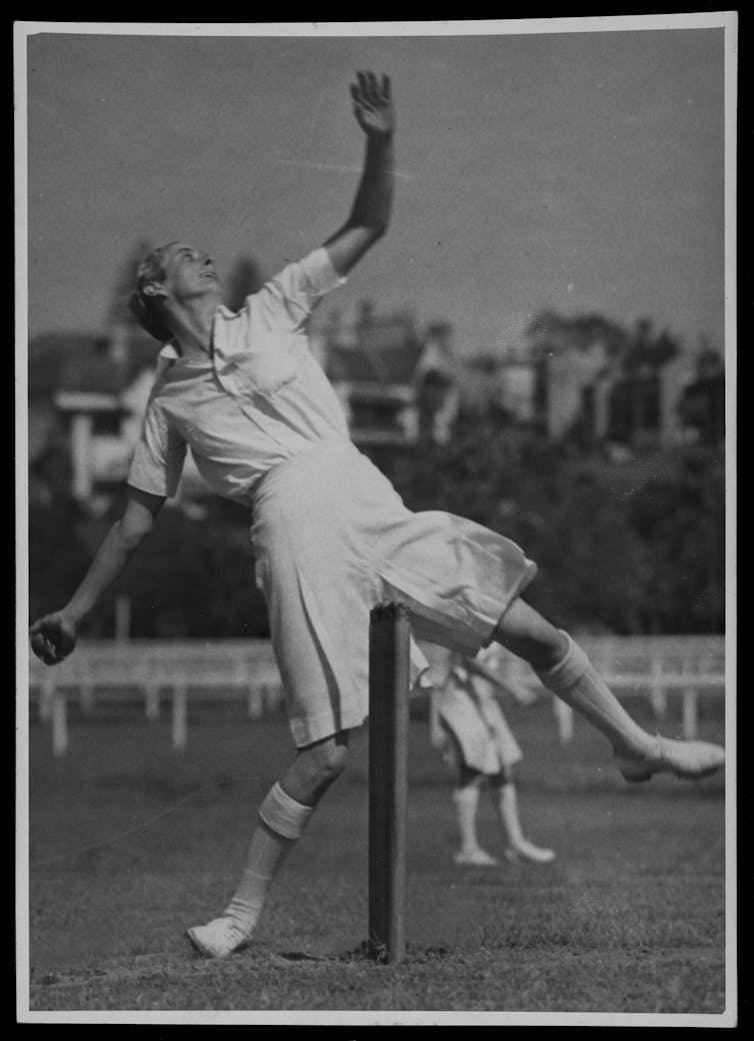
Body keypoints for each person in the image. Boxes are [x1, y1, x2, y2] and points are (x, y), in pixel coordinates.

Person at [30, 72, 724, 959]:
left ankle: (639, 745)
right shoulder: (166, 403)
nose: (206, 258)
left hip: (366, 497)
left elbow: (368, 225)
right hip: (290, 531)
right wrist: (75, 614)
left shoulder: (275, 308)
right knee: (325, 751)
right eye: (187, 255)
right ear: (157, 289)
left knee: (536, 632)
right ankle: (241, 915)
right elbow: (134, 524)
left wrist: (380, 141)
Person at [431, 645, 555, 866]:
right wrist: (511, 687)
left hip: (483, 703)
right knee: (472, 772)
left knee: (502, 772)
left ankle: (516, 844)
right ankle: (468, 849)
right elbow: (469, 659)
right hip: (463, 704)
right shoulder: (471, 620)